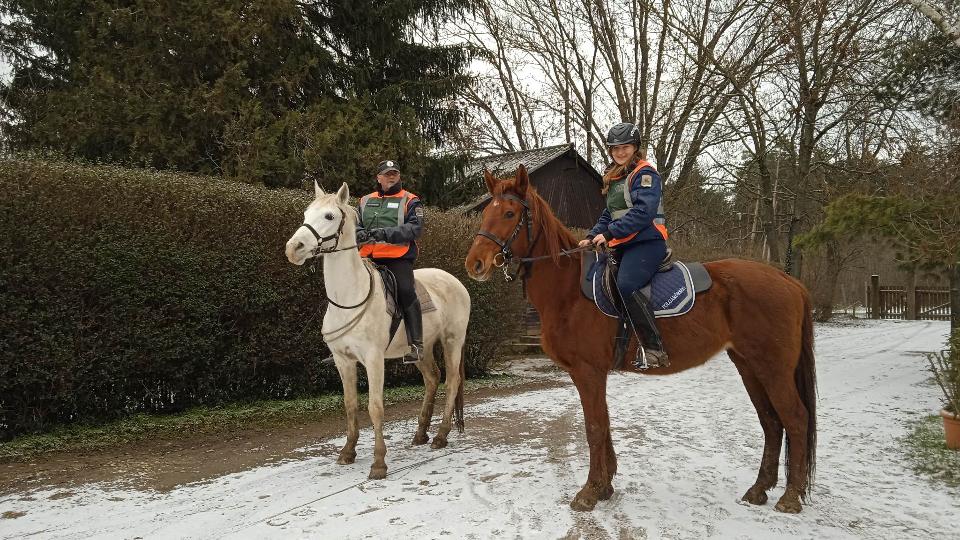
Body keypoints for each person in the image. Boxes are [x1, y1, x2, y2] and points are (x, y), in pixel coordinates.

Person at [578, 123, 670, 369]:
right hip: (624, 243)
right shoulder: (616, 176)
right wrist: (593, 234)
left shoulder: (646, 173)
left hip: (647, 242)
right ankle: (620, 343)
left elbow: (643, 212)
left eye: (625, 147)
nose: (620, 152)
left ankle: (654, 348)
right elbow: (610, 214)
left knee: (627, 284)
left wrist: (609, 234)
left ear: (635, 148)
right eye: (615, 148)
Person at [355, 160, 425, 364]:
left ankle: (416, 345)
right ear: (379, 178)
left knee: (406, 291)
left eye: (395, 173)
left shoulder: (411, 200)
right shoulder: (364, 200)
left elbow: (415, 228)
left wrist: (384, 233)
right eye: (387, 174)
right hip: (366, 257)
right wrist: (360, 234)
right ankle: (343, 344)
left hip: (397, 257)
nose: (391, 176)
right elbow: (355, 223)